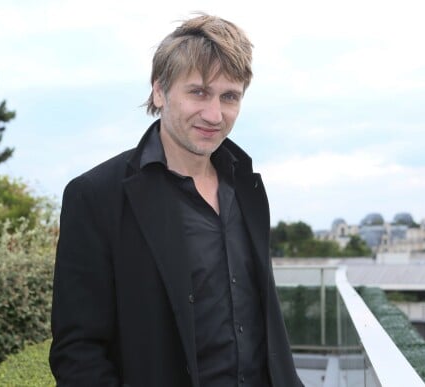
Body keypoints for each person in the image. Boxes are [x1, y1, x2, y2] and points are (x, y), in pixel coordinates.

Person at [49, 13, 302, 387]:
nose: (214, 114)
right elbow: (77, 351)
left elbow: (264, 321)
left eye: (229, 97)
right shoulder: (96, 196)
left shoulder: (247, 186)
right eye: (198, 92)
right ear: (159, 91)